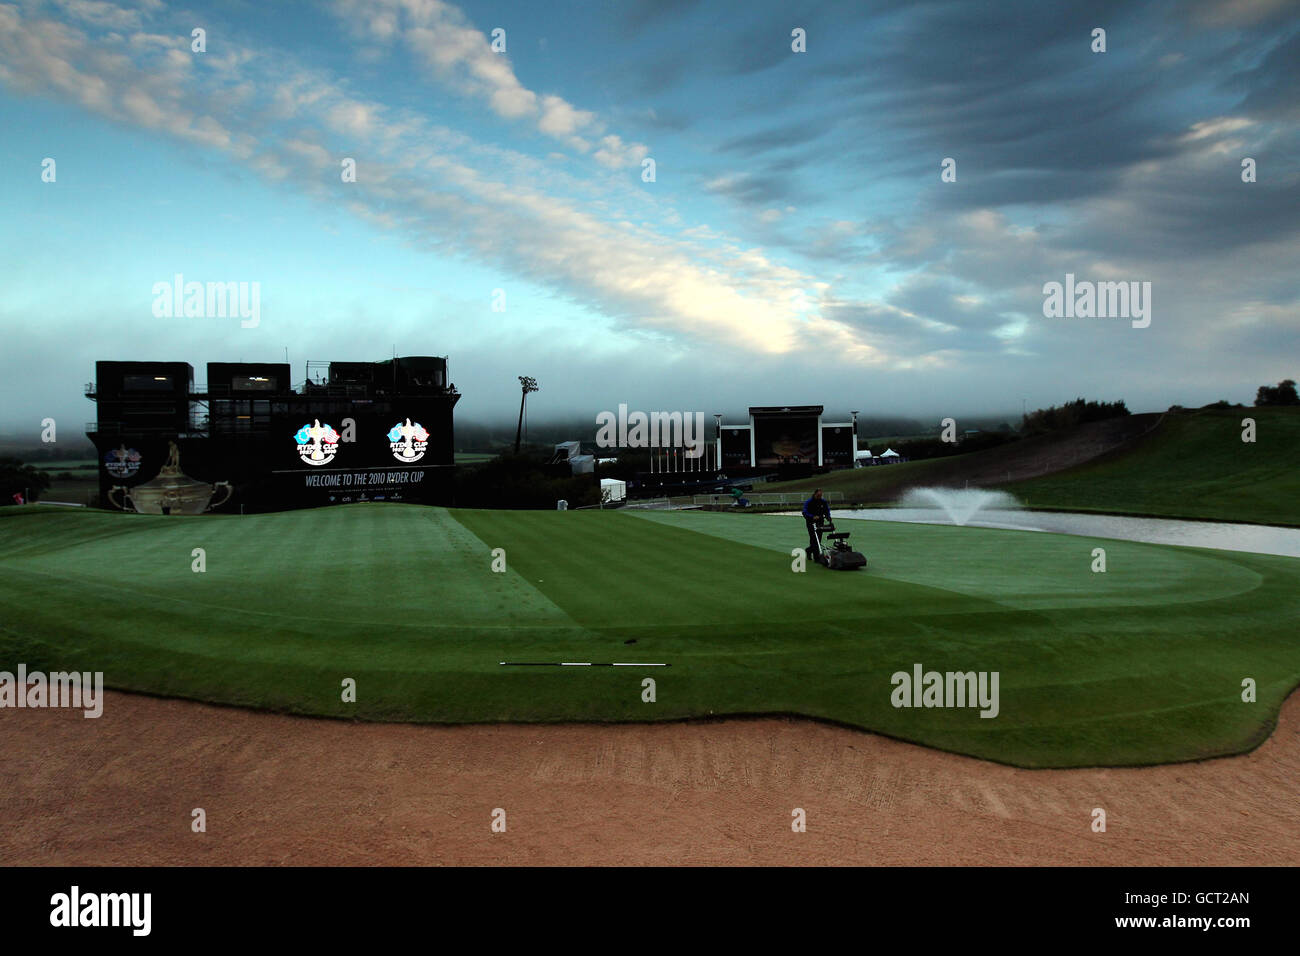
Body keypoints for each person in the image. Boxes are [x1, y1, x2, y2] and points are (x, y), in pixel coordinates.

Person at [802, 488, 830, 558]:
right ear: (815, 494)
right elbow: (804, 512)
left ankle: (809, 550)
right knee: (813, 538)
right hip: (811, 522)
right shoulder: (809, 502)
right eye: (818, 495)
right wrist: (812, 516)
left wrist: (828, 517)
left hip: (820, 521)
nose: (819, 497)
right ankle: (816, 556)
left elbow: (827, 510)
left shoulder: (823, 502)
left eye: (821, 495)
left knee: (818, 539)